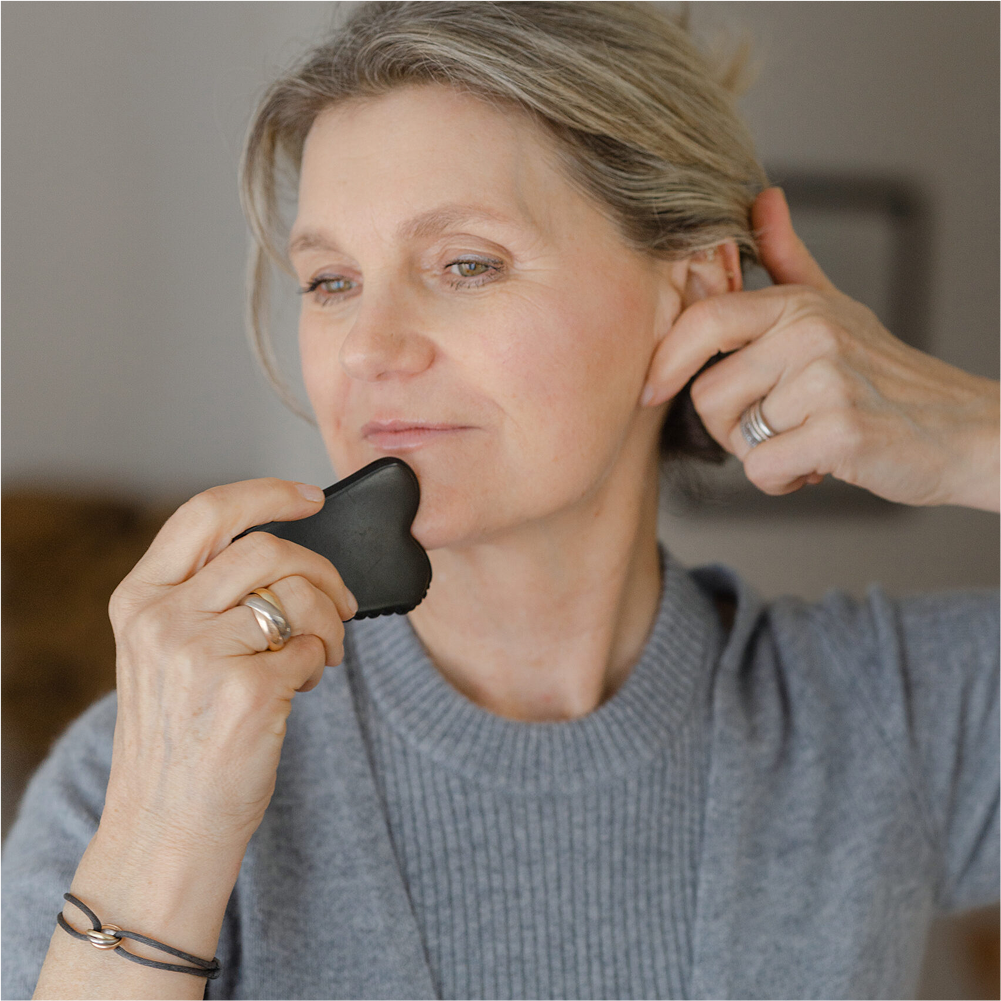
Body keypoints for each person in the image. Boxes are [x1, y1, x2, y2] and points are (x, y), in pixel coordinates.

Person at [3, 0, 1000, 998]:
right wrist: (166, 832)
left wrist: (969, 438)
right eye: (330, 281)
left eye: (465, 264)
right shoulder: (131, 775)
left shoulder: (891, 717)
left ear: (694, 292)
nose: (368, 349)